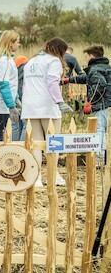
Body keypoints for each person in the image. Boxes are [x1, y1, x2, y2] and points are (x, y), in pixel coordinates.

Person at [20, 37, 73, 187]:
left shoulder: (31, 61)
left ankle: (36, 178)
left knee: (36, 143)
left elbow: (25, 85)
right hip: (47, 106)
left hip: (30, 106)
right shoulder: (53, 61)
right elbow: (52, 83)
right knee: (53, 142)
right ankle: (53, 175)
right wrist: (60, 102)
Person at [66, 45, 111, 164]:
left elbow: (99, 84)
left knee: (99, 130)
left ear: (91, 56)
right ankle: (106, 157)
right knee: (107, 131)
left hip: (102, 105)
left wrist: (90, 102)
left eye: (86, 56)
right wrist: (69, 80)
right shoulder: (104, 67)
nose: (86, 58)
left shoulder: (95, 69)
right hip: (108, 104)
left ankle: (99, 160)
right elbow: (87, 78)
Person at [0, 30, 22, 141]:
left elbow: (11, 83)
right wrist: (11, 106)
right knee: (0, 131)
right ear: (10, 43)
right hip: (0, 103)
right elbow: (4, 84)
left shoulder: (7, 58)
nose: (19, 44)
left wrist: (15, 97)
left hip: (2, 101)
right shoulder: (4, 61)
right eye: (17, 42)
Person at [14, 55, 29, 140]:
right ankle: (22, 147)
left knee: (15, 126)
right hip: (25, 101)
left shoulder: (14, 73)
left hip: (15, 101)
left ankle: (13, 147)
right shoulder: (27, 73)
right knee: (26, 125)